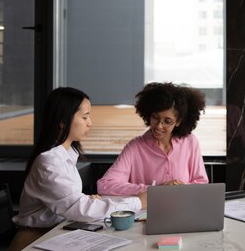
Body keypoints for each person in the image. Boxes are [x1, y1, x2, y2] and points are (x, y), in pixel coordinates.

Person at [9, 87, 146, 251]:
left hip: (54, 234)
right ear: (62, 121)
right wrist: (138, 202)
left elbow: (72, 202)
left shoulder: (66, 155)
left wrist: (86, 200)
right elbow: (79, 209)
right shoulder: (49, 162)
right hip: (35, 241)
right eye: (85, 116)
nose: (90, 123)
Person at [97, 82, 208, 196]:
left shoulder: (190, 142)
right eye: (155, 117)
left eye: (167, 121)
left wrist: (181, 188)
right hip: (147, 212)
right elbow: (105, 185)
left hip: (184, 210)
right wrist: (155, 190)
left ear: (178, 121)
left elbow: (201, 183)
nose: (159, 126)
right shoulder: (135, 147)